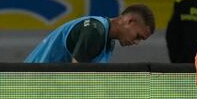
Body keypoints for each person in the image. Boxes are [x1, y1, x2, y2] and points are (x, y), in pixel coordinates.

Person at [23, 6, 155, 63]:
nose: (136, 42)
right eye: (138, 36)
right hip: (30, 86)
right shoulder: (95, 32)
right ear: (129, 20)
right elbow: (78, 78)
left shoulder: (107, 41)